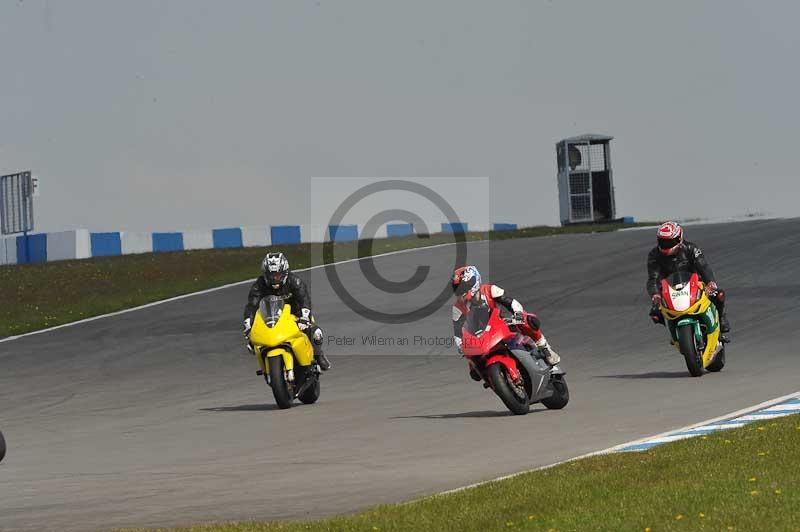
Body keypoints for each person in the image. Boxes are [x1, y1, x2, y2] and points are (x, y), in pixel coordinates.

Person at [451, 266, 561, 379]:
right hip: (480, 338)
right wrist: (461, 345)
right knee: (474, 372)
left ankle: (546, 349)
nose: (461, 290)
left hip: (500, 325)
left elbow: (510, 302)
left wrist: (518, 313)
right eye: (458, 288)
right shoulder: (458, 308)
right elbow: (457, 330)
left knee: (529, 321)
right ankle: (496, 380)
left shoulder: (489, 290)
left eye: (463, 286)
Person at [242, 252, 331, 370]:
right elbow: (252, 305)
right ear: (265, 274)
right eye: (271, 275)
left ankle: (318, 355)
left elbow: (304, 298)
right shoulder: (259, 285)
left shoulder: (294, 281)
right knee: (252, 343)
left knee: (315, 332)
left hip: (296, 313)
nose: (274, 279)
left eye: (278, 275)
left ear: (285, 272)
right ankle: (266, 366)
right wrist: (248, 324)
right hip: (271, 317)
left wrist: (304, 317)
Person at [647, 221, 730, 333]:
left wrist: (710, 283)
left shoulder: (690, 248)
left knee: (718, 295)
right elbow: (653, 278)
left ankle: (721, 318)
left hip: (696, 283)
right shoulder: (654, 255)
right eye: (662, 242)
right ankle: (674, 330)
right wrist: (655, 295)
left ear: (679, 239)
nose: (665, 245)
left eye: (669, 242)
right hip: (670, 289)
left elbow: (703, 266)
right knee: (655, 312)